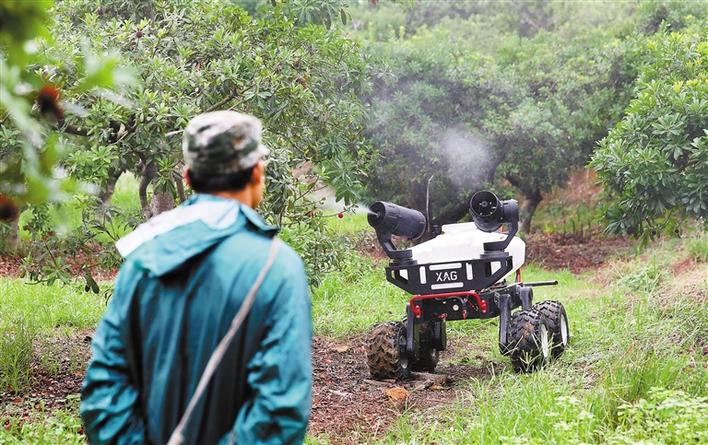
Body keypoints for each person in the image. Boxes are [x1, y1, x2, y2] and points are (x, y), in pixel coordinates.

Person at [80, 111, 312, 445]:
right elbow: (279, 412)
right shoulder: (278, 267)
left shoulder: (143, 258)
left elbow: (104, 390)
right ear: (257, 172)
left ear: (187, 177)